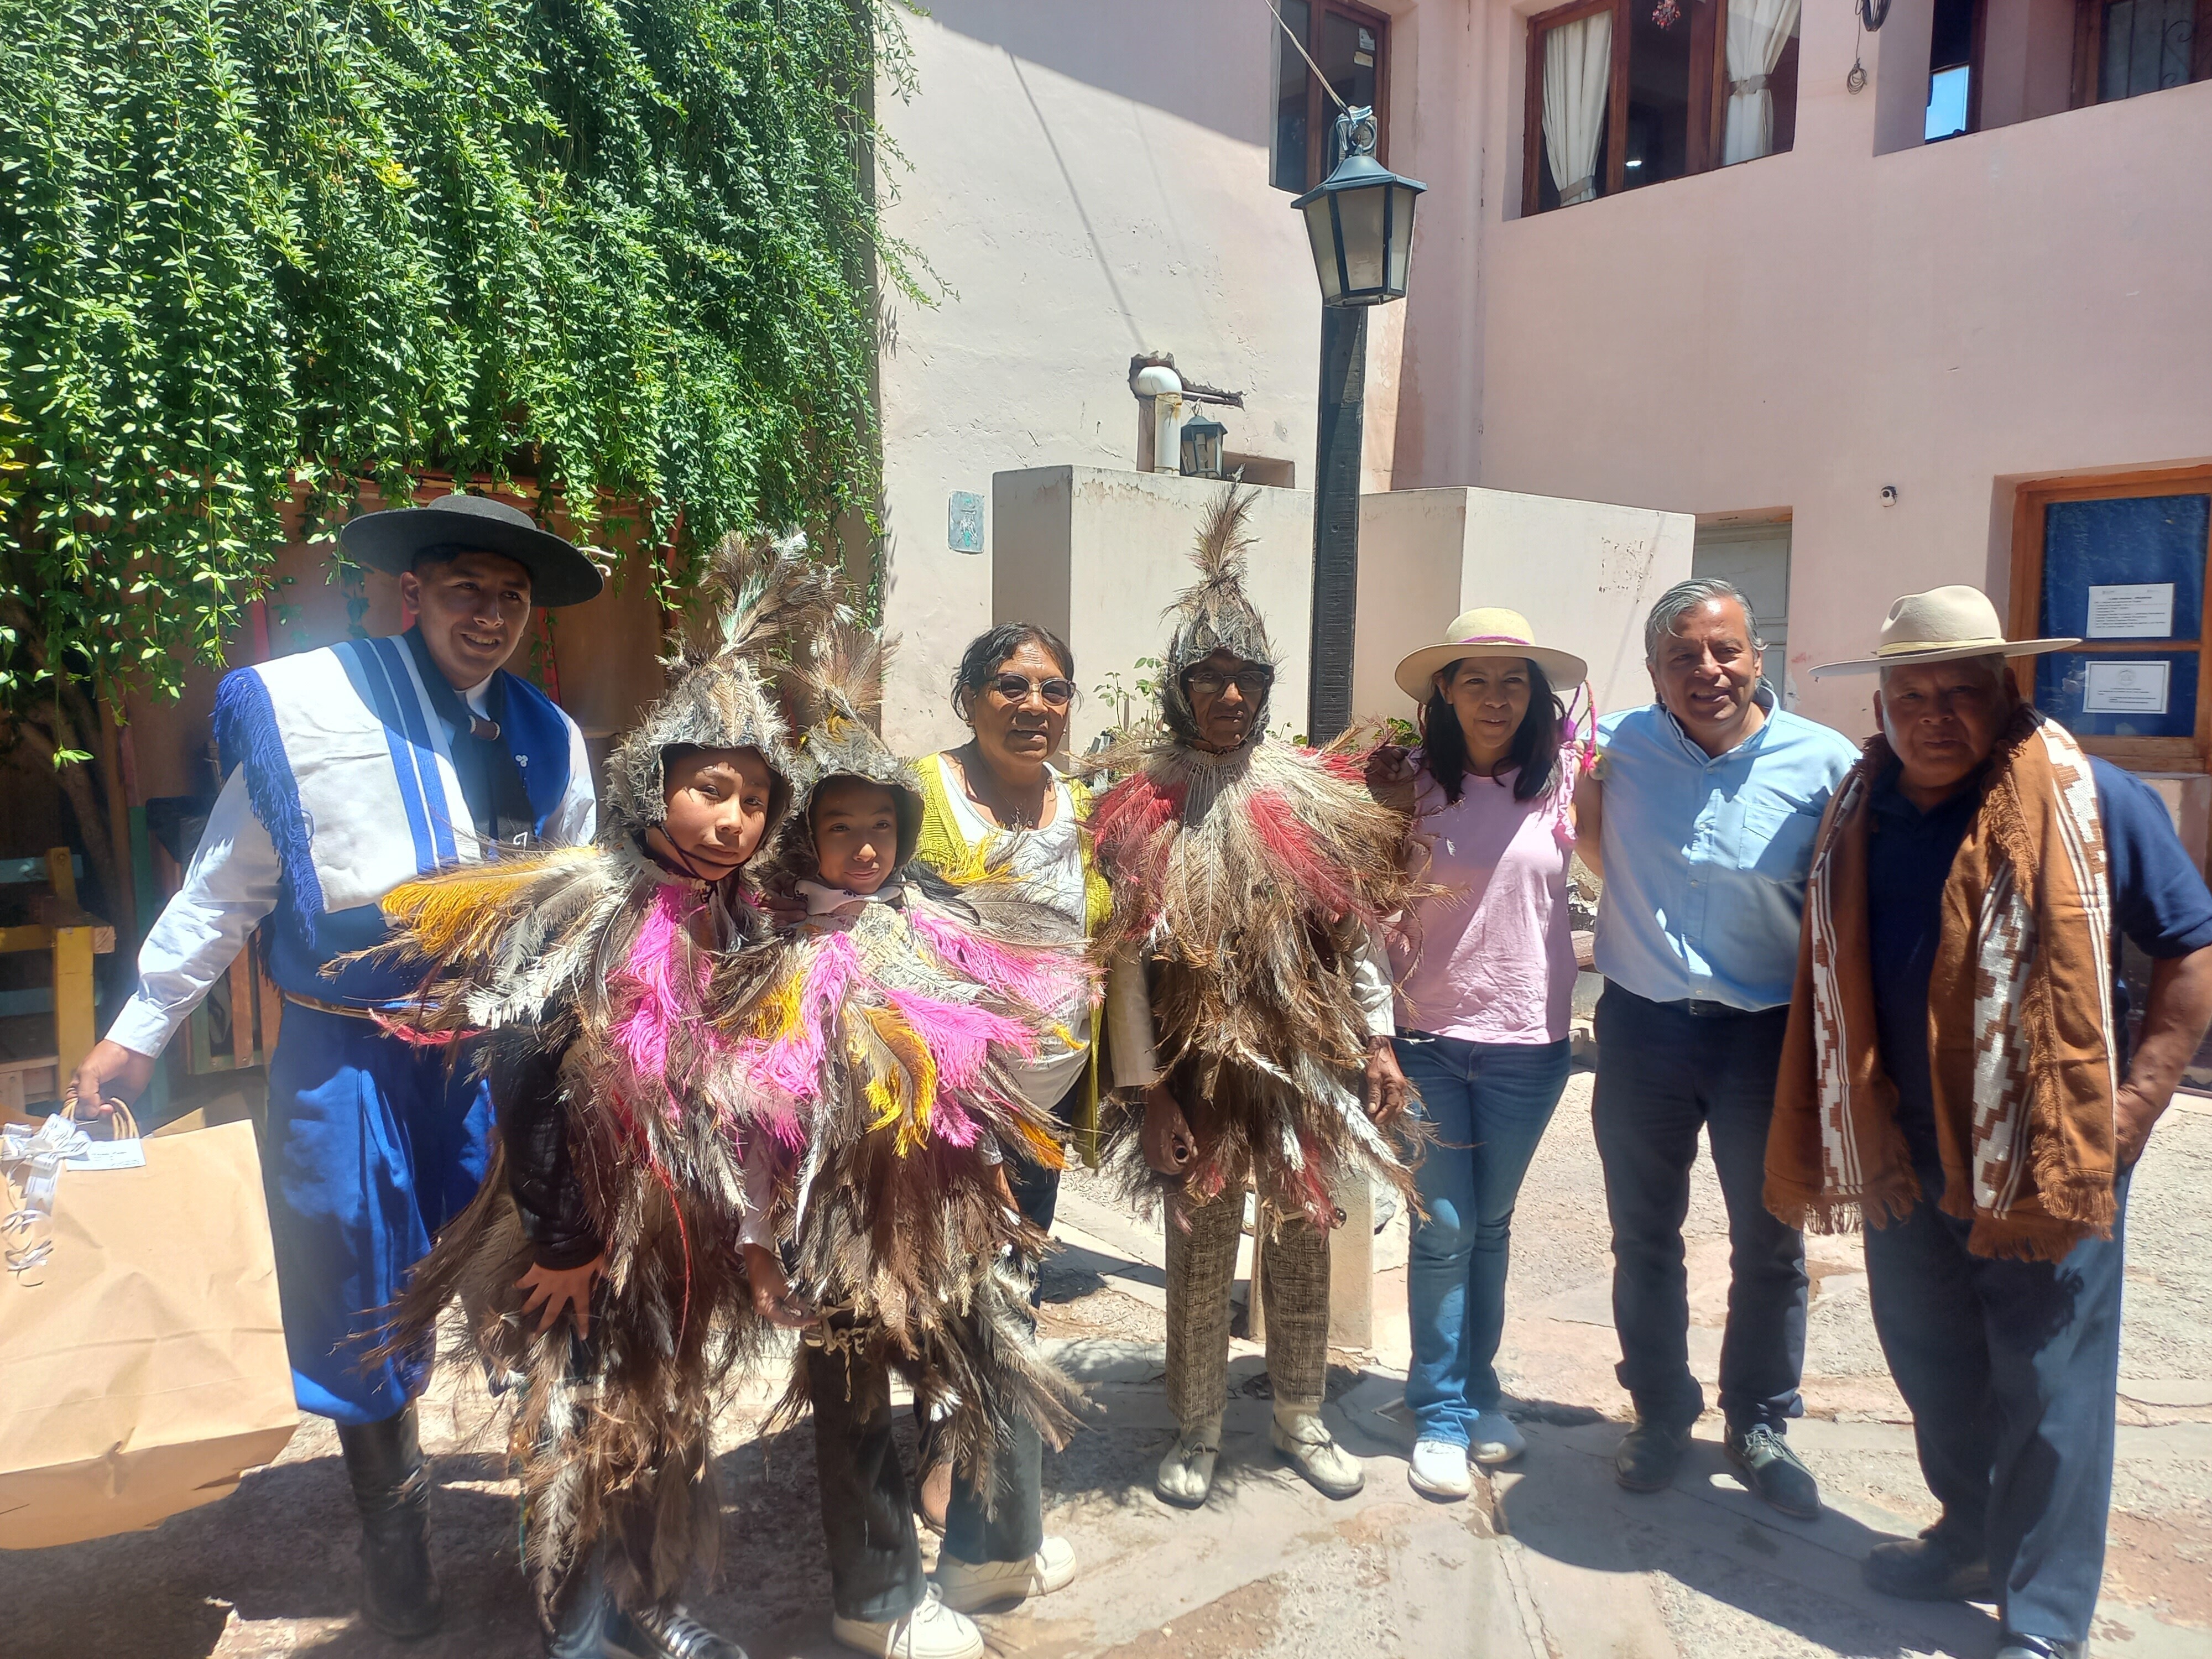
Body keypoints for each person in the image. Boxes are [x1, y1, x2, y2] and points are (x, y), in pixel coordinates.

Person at [66, 492, 601, 1638]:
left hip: (489, 1056)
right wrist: (136, 1034)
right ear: (414, 595)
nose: (490, 616)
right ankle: (395, 1555)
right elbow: (227, 885)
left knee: (536, 1276)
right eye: (467, 590)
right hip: (344, 1053)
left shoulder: (550, 738)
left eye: (511, 599)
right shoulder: (313, 712)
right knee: (357, 1284)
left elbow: (577, 910)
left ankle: (559, 1546)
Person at [371, 535, 840, 1658]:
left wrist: (752, 1228)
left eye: (753, 800)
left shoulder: (741, 921)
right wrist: (568, 1239)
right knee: (578, 1417)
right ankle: (576, 1626)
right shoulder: (586, 902)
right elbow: (527, 1076)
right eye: (709, 789)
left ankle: (652, 1597)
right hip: (574, 1219)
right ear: (654, 782)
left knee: (671, 1408)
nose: (729, 820)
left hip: (685, 1220)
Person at [1767, 586, 2212, 1659]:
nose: (1931, 714)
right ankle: (1964, 1536)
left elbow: (2188, 954)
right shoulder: (1852, 814)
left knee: (2050, 1389)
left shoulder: (2091, 799)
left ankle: (2042, 1617)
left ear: (2003, 692)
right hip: (1902, 1149)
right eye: (1908, 693)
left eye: (1958, 692)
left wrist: (2132, 1108)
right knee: (1930, 1363)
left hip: (2045, 1154)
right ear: (1877, 704)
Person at [734, 626, 1085, 1659]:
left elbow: (982, 1062)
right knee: (851, 1395)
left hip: (955, 1194)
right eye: (840, 827)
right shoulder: (785, 953)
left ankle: (991, 1556)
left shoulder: (931, 920)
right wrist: (760, 1235)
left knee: (988, 1352)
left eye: (883, 825)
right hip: (834, 1211)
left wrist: (996, 1166)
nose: (866, 847)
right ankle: (878, 1601)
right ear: (806, 841)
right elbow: (763, 1122)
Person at [1092, 485, 1415, 1510]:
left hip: (1301, 1063)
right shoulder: (1144, 807)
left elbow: (1351, 934)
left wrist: (1378, 1040)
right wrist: (1149, 1093)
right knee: (1198, 1245)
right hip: (1193, 1071)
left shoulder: (1313, 793)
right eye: (1209, 676)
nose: (1228, 695)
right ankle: (1195, 1426)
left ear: (1268, 688)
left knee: (1304, 1231)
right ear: (1181, 687)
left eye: (1246, 679)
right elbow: (1127, 963)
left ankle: (1301, 1411)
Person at [1574, 576, 1856, 1517]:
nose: (1708, 670)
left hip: (1764, 1039)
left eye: (1726, 649)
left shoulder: (1825, 763)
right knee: (1643, 1233)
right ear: (1654, 672)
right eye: (1682, 655)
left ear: (1758, 656)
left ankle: (1760, 1421)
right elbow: (1560, 817)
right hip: (1644, 1026)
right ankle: (1659, 1411)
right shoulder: (1615, 746)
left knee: (1768, 1241)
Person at [1379, 608, 1591, 1501]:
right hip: (1425, 1039)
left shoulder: (1568, 780)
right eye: (1476, 680)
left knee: (1492, 1229)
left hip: (1527, 1045)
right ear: (1446, 693)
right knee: (1446, 1231)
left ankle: (1480, 1390)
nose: (1496, 698)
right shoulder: (1405, 787)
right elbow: (1364, 912)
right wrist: (1375, 1040)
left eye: (1514, 682)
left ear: (1537, 698)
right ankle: (1438, 1410)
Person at [906, 624, 1112, 1528]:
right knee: (949, 1273)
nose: (1035, 706)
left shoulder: (1086, 810)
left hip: (1046, 1100)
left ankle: (985, 1433)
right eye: (1011, 685)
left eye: (1054, 689)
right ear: (969, 697)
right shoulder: (919, 791)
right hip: (945, 1100)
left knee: (1013, 1272)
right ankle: (948, 1448)